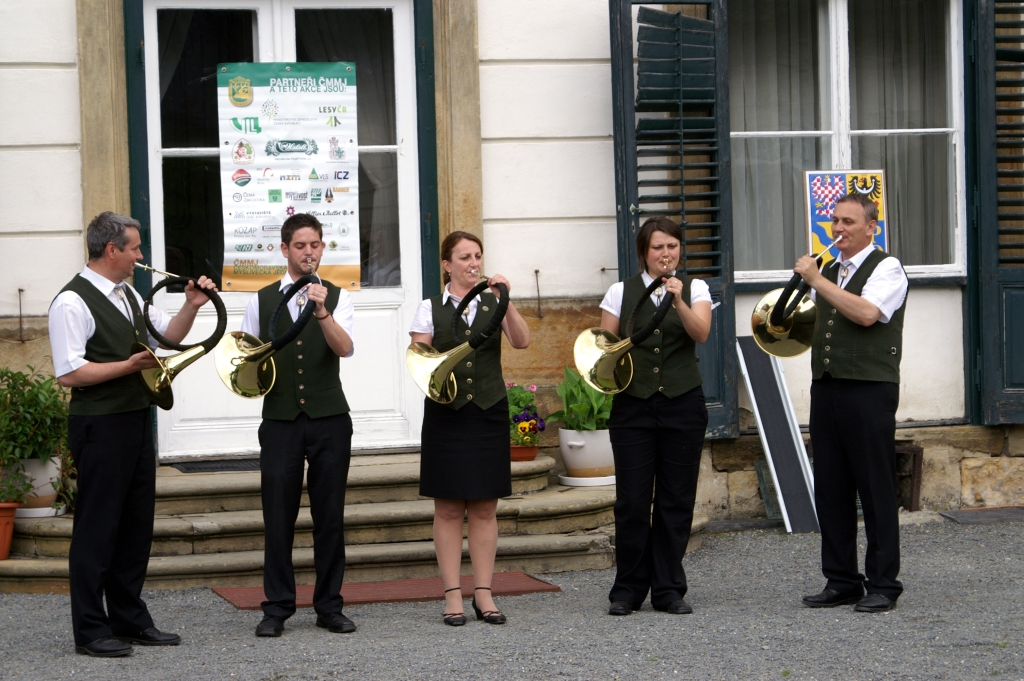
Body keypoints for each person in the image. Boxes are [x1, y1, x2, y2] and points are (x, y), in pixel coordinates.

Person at [49, 211, 217, 657]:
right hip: (100, 424)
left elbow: (168, 338)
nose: (141, 256)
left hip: (135, 419)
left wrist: (191, 305)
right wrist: (128, 366)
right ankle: (91, 630)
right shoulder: (72, 301)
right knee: (97, 526)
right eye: (135, 248)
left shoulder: (128, 294)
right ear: (112, 250)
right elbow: (69, 373)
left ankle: (128, 619)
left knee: (134, 526)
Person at [240, 213, 357, 637]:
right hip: (281, 421)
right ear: (285, 250)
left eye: (315, 245)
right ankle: (276, 608)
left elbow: (345, 349)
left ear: (323, 248)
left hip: (329, 419)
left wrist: (322, 311)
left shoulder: (339, 297)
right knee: (278, 516)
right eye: (300, 245)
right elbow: (246, 360)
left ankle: (329, 606)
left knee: (330, 517)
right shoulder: (260, 300)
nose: (309, 252)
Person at [793, 192, 908, 614]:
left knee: (875, 487)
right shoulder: (831, 270)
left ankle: (884, 583)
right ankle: (841, 580)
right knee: (832, 487)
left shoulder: (887, 267)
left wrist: (816, 280)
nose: (839, 229)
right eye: (835, 221)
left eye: (848, 222)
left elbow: (866, 313)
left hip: (869, 388)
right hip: (827, 386)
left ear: (871, 228)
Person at [409, 231, 530, 626]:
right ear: (447, 265)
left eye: (477, 255)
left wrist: (506, 300)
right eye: (464, 257)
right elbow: (421, 361)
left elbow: (522, 341)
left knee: (484, 506)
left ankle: (483, 592)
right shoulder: (429, 308)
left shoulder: (493, 301)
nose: (474, 263)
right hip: (446, 413)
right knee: (447, 508)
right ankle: (451, 594)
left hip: (488, 410)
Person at [599, 216, 713, 616]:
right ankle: (627, 589)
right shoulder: (619, 291)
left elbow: (701, 333)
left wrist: (677, 299)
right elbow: (605, 350)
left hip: (683, 402)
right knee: (631, 500)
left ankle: (668, 589)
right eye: (658, 247)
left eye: (672, 246)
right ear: (644, 253)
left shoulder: (695, 288)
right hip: (633, 405)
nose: (666, 254)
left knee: (676, 499)